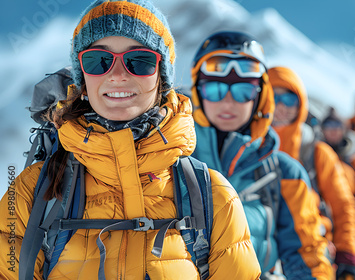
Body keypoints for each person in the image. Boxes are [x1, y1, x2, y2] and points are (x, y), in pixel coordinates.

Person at [0, 1, 261, 279]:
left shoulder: (213, 197)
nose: (117, 75)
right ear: (82, 77)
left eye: (140, 60)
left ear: (161, 76)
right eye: (97, 61)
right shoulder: (33, 191)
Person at [190, 32, 333, 280]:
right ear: (198, 92)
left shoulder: (285, 173)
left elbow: (306, 254)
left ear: (260, 96)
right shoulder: (167, 159)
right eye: (214, 89)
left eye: (243, 91)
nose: (228, 102)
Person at [268, 66, 355, 280]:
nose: (281, 106)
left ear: (300, 105)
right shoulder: (247, 149)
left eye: (290, 99)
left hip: (315, 256)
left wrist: (346, 252)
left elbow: (342, 204)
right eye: (274, 97)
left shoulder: (316, 152)